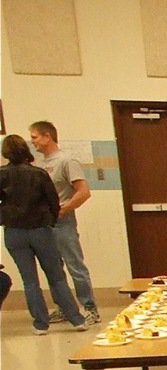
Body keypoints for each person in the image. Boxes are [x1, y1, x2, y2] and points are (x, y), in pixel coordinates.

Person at [0, 134, 88, 334]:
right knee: (56, 277)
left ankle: (41, 324)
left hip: (14, 232)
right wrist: (50, 220)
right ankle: (76, 320)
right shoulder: (38, 174)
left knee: (29, 280)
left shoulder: (1, 174)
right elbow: (53, 202)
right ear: (26, 150)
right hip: (41, 230)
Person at [28, 121, 100, 325]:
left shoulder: (67, 161)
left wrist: (63, 210)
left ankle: (90, 308)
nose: (33, 142)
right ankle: (64, 307)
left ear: (47, 136)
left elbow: (83, 192)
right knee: (54, 268)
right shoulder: (38, 164)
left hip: (62, 222)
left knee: (74, 265)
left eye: (34, 137)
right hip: (43, 224)